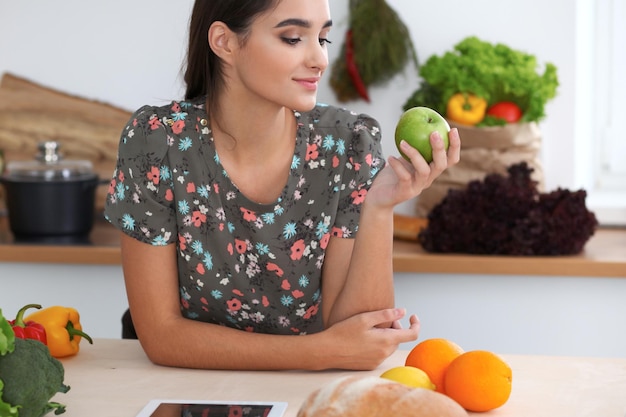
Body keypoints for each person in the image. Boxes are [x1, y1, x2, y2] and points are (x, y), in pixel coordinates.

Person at [104, 0, 461, 371]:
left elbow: (360, 340)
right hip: (185, 388)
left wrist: (380, 206)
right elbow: (162, 337)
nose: (319, 59)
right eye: (293, 38)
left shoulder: (349, 143)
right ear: (224, 42)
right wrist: (321, 352)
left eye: (323, 39)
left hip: (302, 394)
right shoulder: (157, 142)